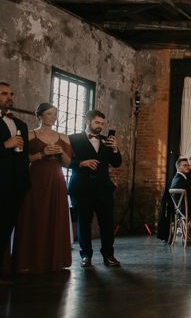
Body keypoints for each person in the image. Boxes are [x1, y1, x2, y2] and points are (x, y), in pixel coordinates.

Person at [10, 103, 74, 274]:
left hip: (56, 179)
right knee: (33, 214)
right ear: (39, 116)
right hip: (35, 178)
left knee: (55, 215)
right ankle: (29, 259)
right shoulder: (30, 135)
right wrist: (42, 154)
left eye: (55, 114)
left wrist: (61, 153)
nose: (53, 117)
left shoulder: (64, 137)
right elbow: (24, 160)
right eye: (49, 113)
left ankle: (53, 259)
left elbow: (68, 163)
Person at [68, 110, 122, 268]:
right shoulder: (73, 139)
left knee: (107, 223)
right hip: (81, 188)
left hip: (103, 189)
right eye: (97, 123)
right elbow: (65, 160)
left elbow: (117, 163)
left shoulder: (107, 141)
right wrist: (81, 163)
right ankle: (86, 256)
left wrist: (115, 149)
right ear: (87, 122)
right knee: (83, 223)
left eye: (102, 124)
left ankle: (109, 255)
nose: (100, 127)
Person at [0, 82, 31, 285]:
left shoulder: (21, 125)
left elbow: (24, 157)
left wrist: (23, 183)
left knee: (4, 230)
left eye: (11, 93)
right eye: (4, 93)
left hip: (16, 186)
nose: (9, 97)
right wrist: (5, 145)